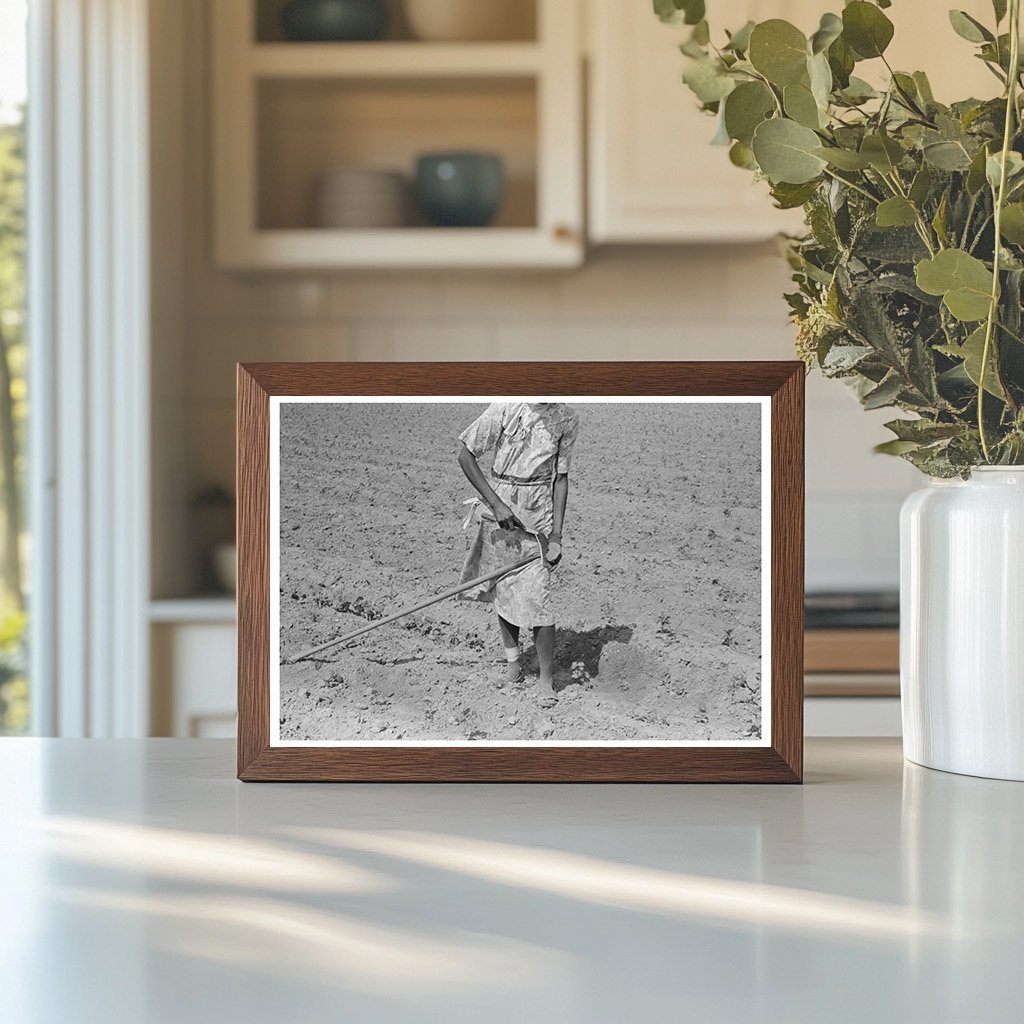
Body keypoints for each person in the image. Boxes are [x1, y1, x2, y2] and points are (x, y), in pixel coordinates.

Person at [456, 402, 580, 692]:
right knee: (504, 587)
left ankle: (546, 680)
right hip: (500, 513)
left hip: (538, 520)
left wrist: (557, 536)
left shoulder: (567, 418)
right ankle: (514, 667)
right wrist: (496, 504)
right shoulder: (505, 406)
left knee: (539, 598)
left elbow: (561, 478)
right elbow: (465, 453)